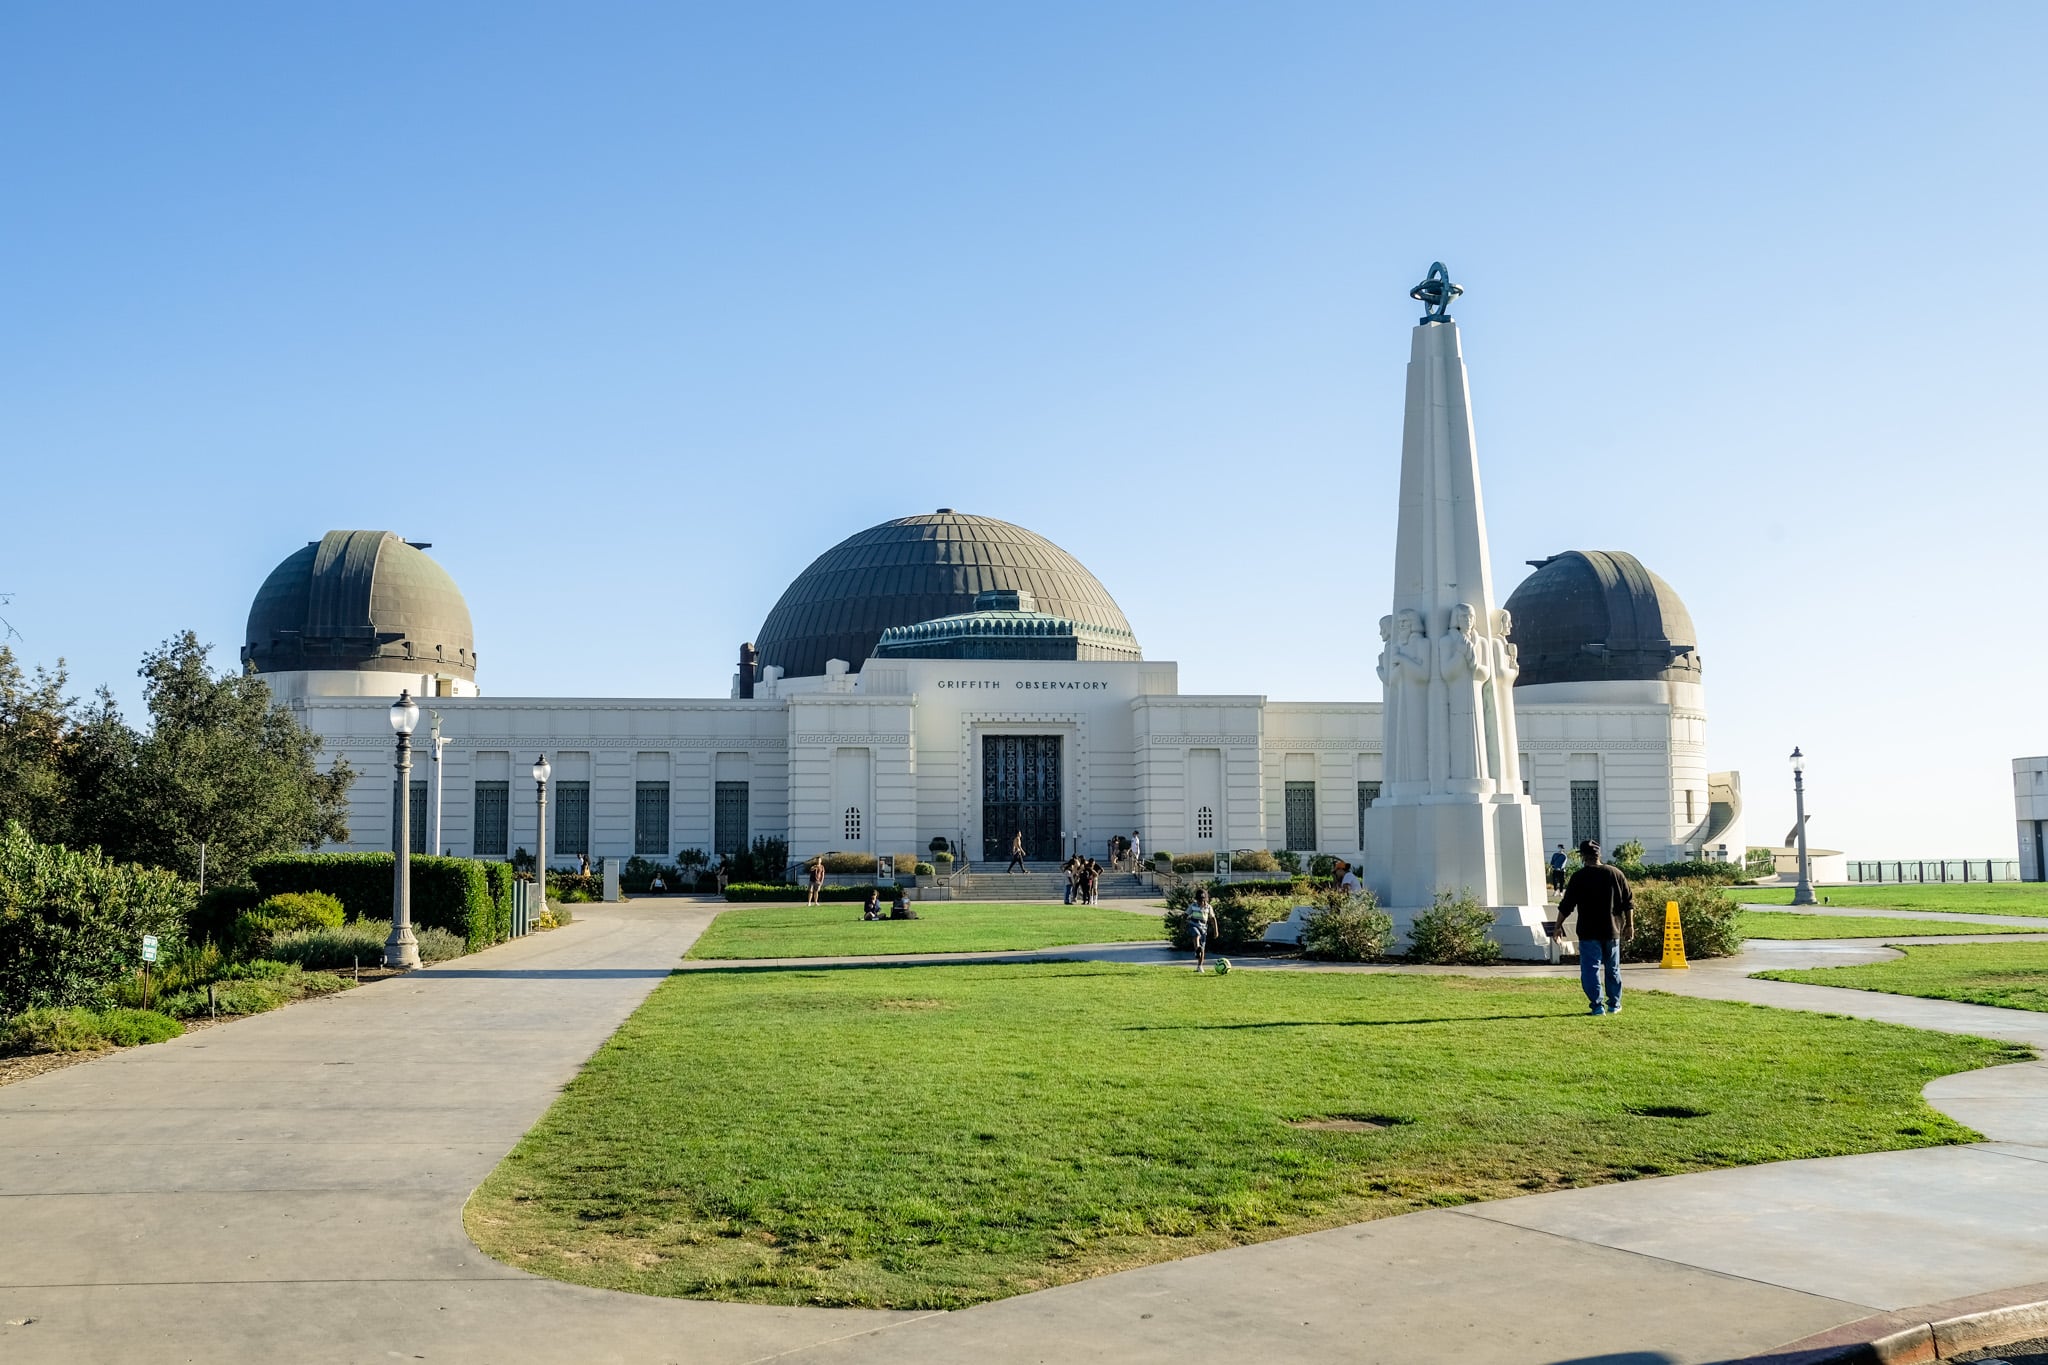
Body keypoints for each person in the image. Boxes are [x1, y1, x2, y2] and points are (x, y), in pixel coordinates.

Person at [1551, 839, 1634, 1016]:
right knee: (1613, 968)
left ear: (1582, 857)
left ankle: (1597, 1006)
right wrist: (1629, 925)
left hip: (1588, 931)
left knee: (1590, 969)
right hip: (1612, 930)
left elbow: (1566, 905)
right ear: (1599, 854)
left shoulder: (1579, 877)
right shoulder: (1615, 873)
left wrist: (1557, 926)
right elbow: (1628, 902)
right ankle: (1614, 1003)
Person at [1188, 886, 1217, 972]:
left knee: (1203, 948)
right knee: (1196, 934)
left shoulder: (1208, 907)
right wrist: (1181, 927)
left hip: (1203, 927)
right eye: (1199, 900)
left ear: (1206, 899)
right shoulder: (1193, 906)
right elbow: (1185, 915)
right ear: (1196, 899)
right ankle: (1197, 949)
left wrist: (1216, 931)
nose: (1201, 902)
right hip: (1193, 924)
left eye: (1203, 900)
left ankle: (1200, 966)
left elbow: (1213, 919)